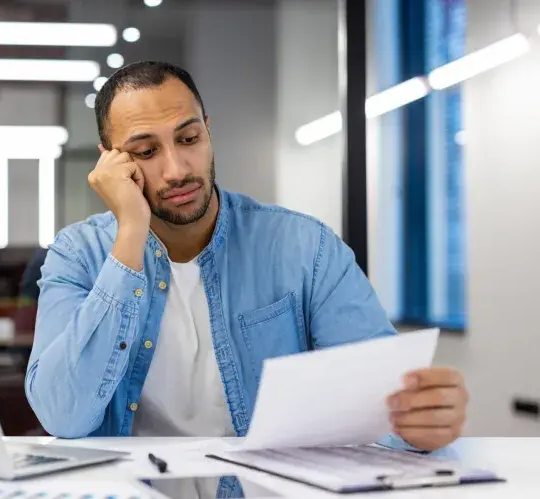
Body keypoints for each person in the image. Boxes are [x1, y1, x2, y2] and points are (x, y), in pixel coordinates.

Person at [25, 61, 468, 451]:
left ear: (208, 130)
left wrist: (418, 424)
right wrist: (130, 234)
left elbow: (383, 402)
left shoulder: (304, 248)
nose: (177, 169)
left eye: (189, 137)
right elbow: (63, 415)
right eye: (146, 152)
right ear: (111, 163)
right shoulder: (78, 255)